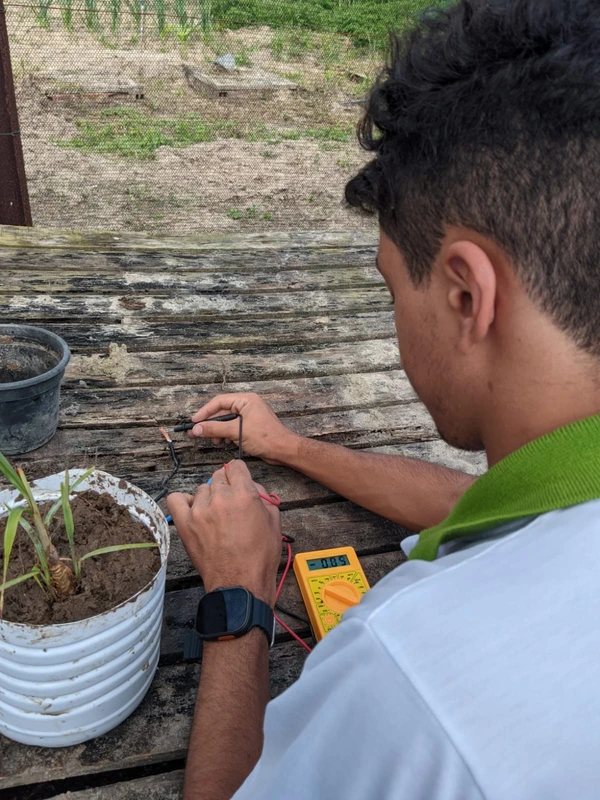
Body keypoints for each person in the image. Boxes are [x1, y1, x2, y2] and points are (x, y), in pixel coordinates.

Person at [167, 0, 600, 797]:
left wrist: (237, 597)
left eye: (392, 285)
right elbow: (488, 511)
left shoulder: (411, 687)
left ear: (467, 296)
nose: (396, 313)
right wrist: (288, 446)